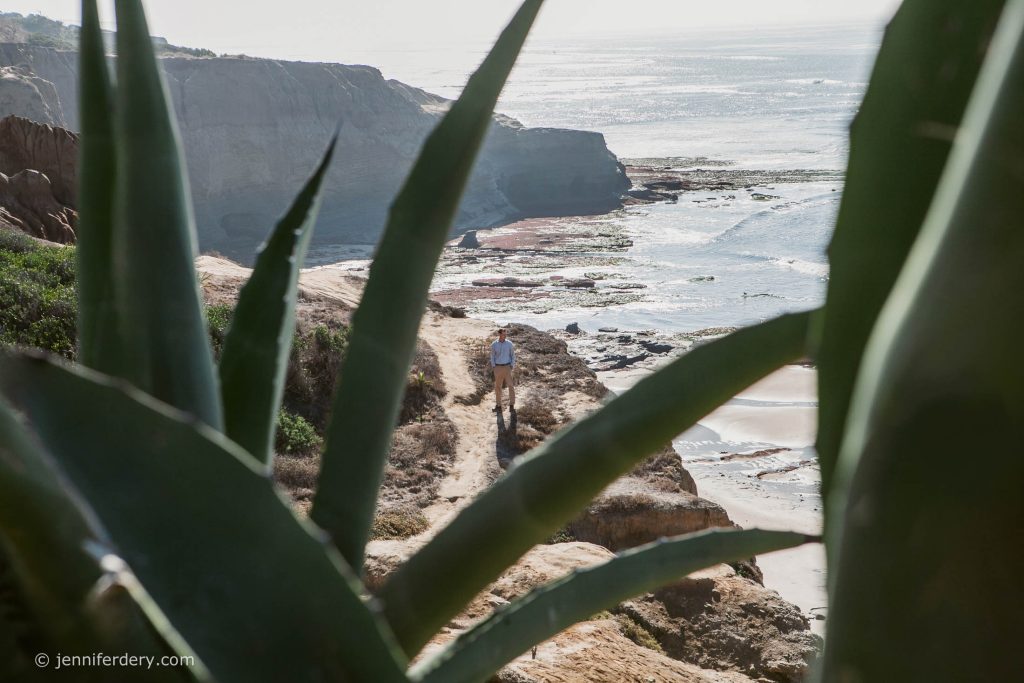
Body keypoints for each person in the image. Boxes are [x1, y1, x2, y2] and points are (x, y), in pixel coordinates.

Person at [490, 327, 516, 414]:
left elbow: (513, 355)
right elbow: (492, 356)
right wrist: (494, 366)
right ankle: (498, 406)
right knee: (498, 387)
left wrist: (512, 365)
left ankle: (512, 405)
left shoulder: (509, 344)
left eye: (506, 334)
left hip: (507, 367)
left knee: (511, 386)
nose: (505, 336)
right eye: (503, 334)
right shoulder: (494, 344)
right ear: (499, 334)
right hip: (498, 368)